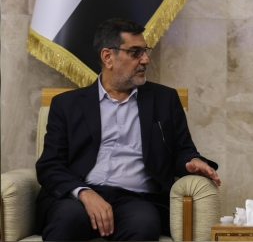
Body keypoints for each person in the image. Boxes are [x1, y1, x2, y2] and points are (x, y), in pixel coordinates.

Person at [35, 18, 221, 241]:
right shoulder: (66, 105)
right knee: (67, 220)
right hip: (78, 196)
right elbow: (50, 165)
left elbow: (182, 151)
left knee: (143, 226)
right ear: (108, 57)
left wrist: (193, 161)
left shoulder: (165, 100)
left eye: (145, 51)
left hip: (136, 200)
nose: (146, 60)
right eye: (135, 52)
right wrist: (84, 193)